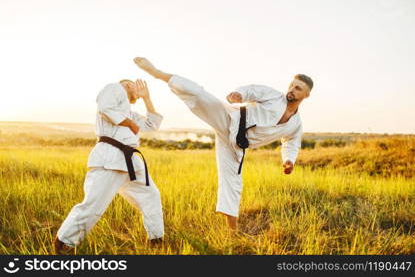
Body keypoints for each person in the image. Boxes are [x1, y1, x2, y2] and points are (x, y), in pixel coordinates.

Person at [133, 57, 313, 230]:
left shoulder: (296, 125)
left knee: (233, 185)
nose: (291, 89)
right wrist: (239, 94)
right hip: (229, 118)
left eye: (297, 88)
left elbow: (291, 143)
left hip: (236, 145)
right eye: (291, 85)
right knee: (199, 95)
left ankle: (231, 232)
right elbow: (252, 90)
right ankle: (157, 72)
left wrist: (289, 160)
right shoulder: (274, 96)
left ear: (306, 94)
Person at [54, 79, 164, 254]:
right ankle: (64, 243)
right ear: (126, 85)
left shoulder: (130, 113)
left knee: (151, 196)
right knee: (94, 204)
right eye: (134, 84)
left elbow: (152, 125)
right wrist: (130, 124)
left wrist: (147, 98)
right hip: (110, 157)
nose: (138, 86)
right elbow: (105, 108)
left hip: (131, 162)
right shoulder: (114, 88)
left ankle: (156, 240)